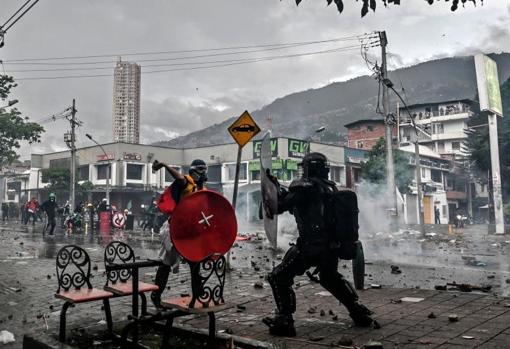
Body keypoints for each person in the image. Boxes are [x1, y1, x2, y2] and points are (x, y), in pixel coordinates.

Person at [263, 152, 374, 336]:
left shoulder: (304, 187)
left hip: (310, 247)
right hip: (331, 247)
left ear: (309, 168)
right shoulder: (329, 188)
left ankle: (284, 321)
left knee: (278, 277)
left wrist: (270, 192)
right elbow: (297, 202)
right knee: (329, 278)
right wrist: (276, 187)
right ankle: (358, 312)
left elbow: (279, 206)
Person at [150, 159, 208, 308]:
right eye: (201, 170)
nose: (204, 173)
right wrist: (164, 164)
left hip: (190, 231)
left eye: (204, 169)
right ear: (194, 171)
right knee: (166, 263)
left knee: (195, 263)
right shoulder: (186, 183)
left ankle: (198, 296)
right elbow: (178, 177)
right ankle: (156, 295)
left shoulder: (203, 189)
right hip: (175, 229)